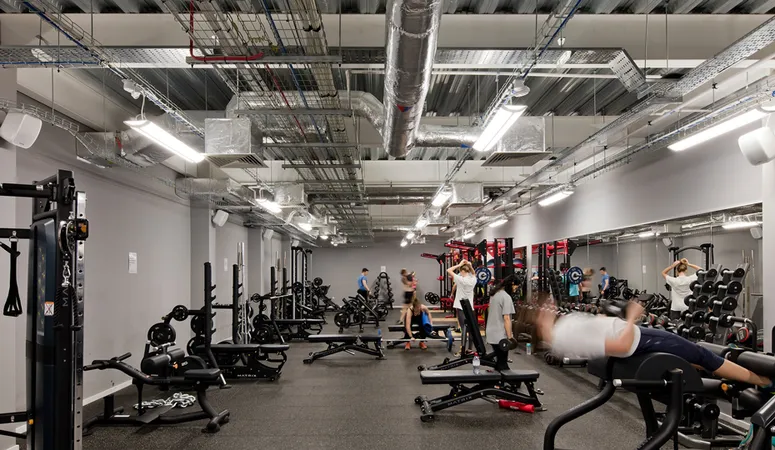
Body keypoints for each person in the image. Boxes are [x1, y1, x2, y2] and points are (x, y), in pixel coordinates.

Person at [535, 296, 772, 388]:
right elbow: (620, 346)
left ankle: (749, 379)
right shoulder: (567, 335)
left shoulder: (559, 333)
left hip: (642, 339)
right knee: (703, 355)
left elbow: (601, 333)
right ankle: (765, 381)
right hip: (644, 340)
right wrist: (631, 316)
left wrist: (605, 316)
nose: (549, 309)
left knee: (696, 359)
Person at [486, 275, 516, 370]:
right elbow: (507, 318)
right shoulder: (506, 297)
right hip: (499, 335)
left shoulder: (495, 294)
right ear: (512, 284)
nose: (516, 289)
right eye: (516, 286)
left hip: (491, 332)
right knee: (503, 364)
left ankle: (498, 382)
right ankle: (503, 382)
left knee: (500, 362)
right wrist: (510, 336)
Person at [447, 259, 477, 356]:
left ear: (463, 271)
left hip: (461, 307)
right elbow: (473, 273)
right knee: (471, 328)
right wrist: (470, 265)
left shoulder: (461, 280)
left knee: (463, 328)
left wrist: (459, 264)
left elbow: (449, 270)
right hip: (470, 307)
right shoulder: (473, 279)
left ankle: (462, 350)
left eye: (461, 271)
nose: (460, 273)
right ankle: (469, 349)